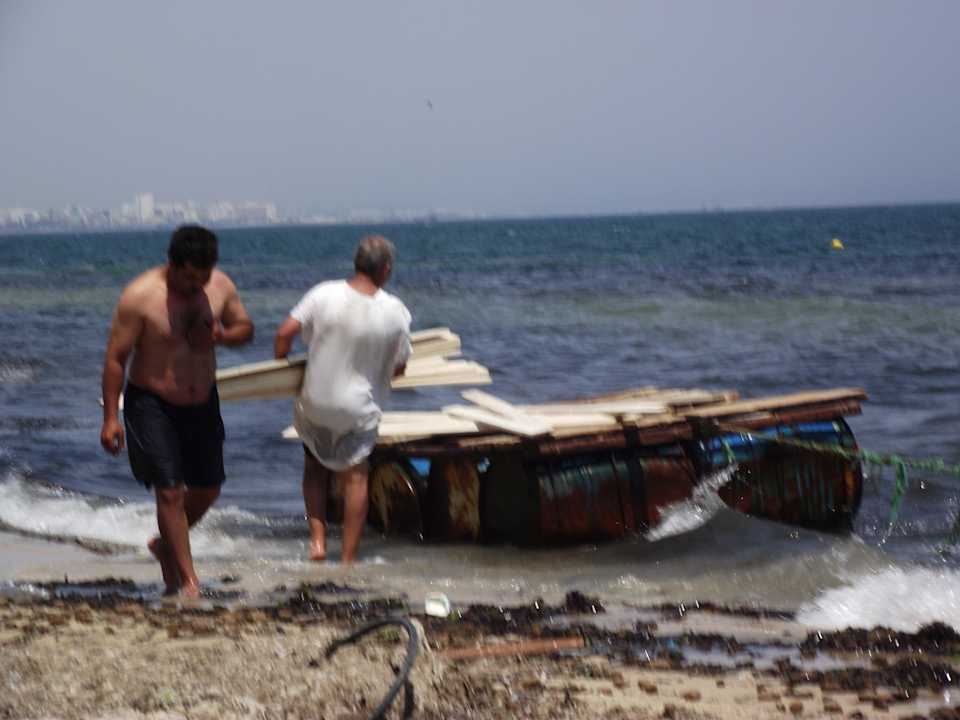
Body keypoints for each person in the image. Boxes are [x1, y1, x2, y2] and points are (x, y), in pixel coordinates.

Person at [100, 225, 254, 597]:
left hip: (202, 401)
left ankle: (165, 545)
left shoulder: (220, 286)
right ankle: (188, 581)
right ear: (171, 264)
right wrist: (110, 419)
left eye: (202, 277)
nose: (194, 286)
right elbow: (116, 358)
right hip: (151, 402)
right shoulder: (140, 296)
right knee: (169, 491)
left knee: (208, 489)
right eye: (187, 277)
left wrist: (222, 336)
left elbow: (245, 329)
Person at [274, 234, 411, 564]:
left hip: (316, 402)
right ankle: (348, 558)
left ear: (356, 263)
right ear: (387, 269)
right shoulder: (396, 312)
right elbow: (400, 367)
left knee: (314, 469)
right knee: (356, 478)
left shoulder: (324, 293)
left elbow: (284, 332)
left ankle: (317, 543)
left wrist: (281, 363)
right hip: (357, 408)